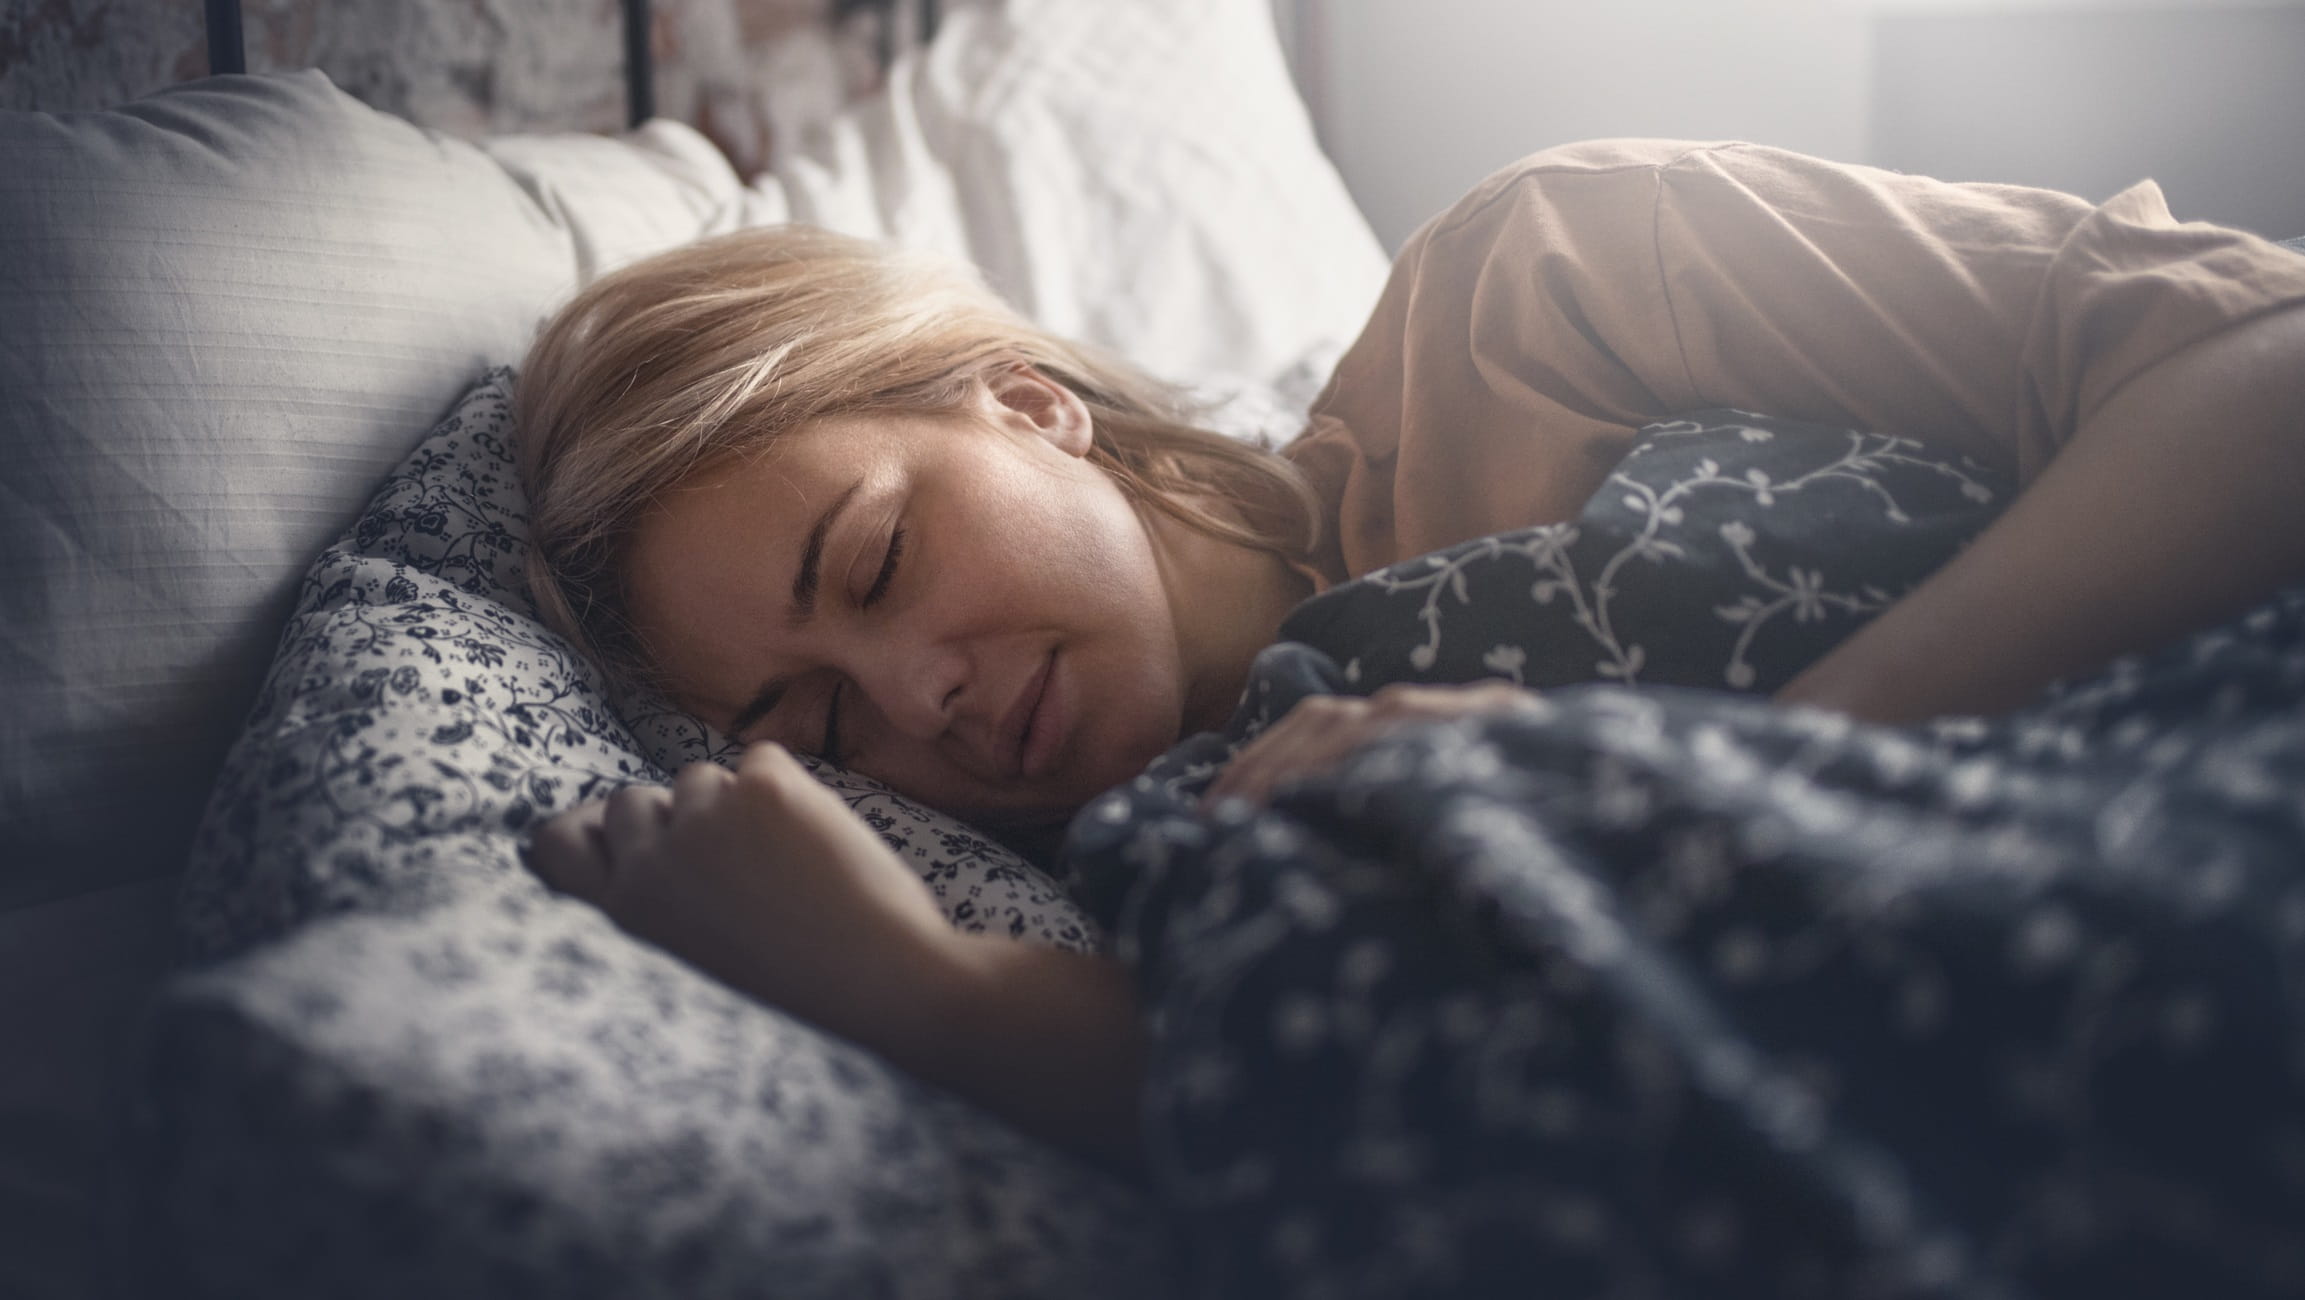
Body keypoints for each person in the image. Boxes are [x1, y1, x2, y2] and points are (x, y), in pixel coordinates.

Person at [515, 139, 2305, 1169]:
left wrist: (1702, 775)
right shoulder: (1180, 861)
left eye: (883, 563)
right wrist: (903, 984)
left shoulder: (1539, 281)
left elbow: (2264, 361)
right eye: (824, 723)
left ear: (1027, 403)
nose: (923, 703)